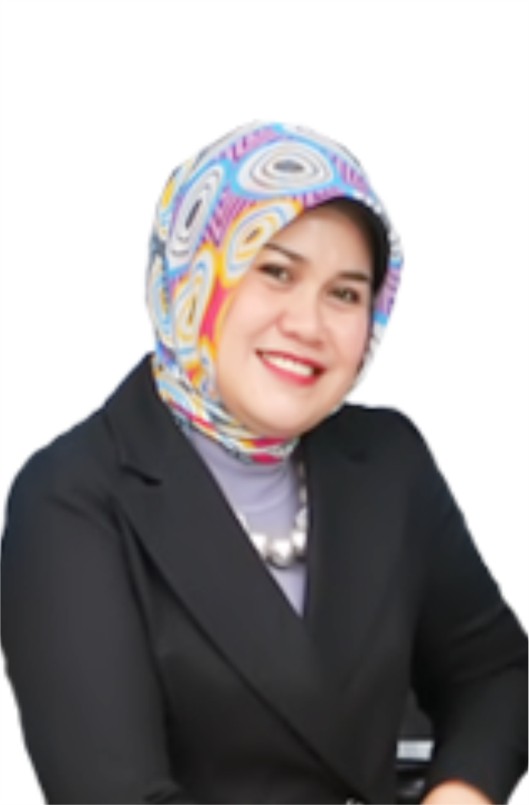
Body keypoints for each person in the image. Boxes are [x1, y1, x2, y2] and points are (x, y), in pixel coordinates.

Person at [1, 121, 527, 805]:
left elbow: (495, 672)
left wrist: (460, 793)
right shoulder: (69, 499)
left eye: (345, 293)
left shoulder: (387, 460)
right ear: (195, 273)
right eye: (275, 272)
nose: (308, 325)